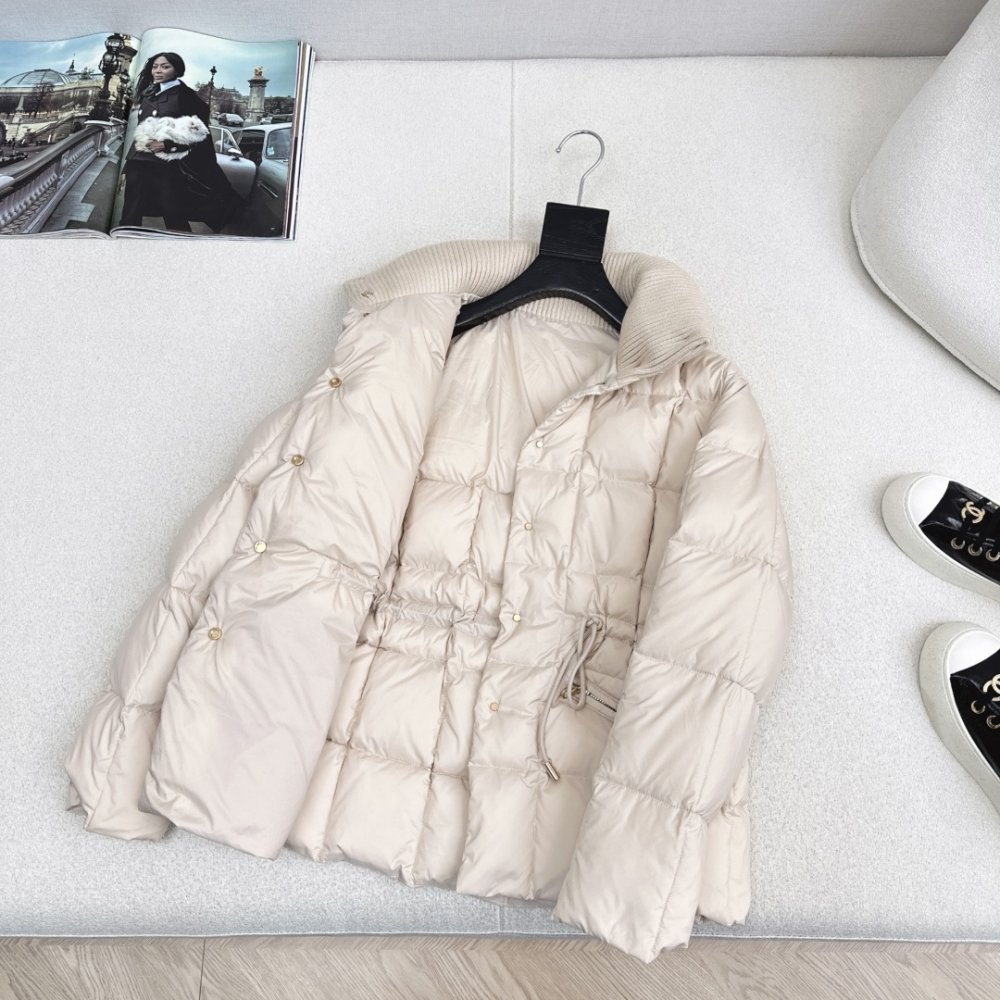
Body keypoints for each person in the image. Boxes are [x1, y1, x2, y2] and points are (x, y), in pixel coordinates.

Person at [120, 52, 242, 233]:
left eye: (165, 67)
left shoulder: (187, 97)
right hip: (139, 163)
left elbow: (200, 135)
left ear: (177, 70)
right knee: (130, 214)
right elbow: (141, 132)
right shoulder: (149, 94)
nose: (158, 71)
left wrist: (168, 145)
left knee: (174, 215)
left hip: (169, 166)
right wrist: (127, 166)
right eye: (155, 67)